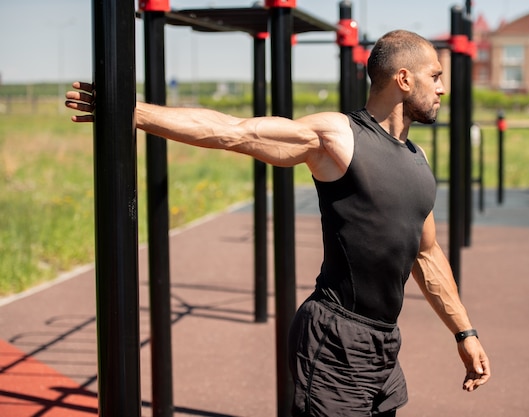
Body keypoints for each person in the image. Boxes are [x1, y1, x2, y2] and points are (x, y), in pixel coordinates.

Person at [66, 30, 490, 417]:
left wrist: (463, 332)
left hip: (383, 345)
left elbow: (427, 254)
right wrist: (130, 111)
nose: (442, 87)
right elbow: (233, 132)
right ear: (403, 79)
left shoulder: (419, 161)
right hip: (335, 339)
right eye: (434, 76)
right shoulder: (339, 137)